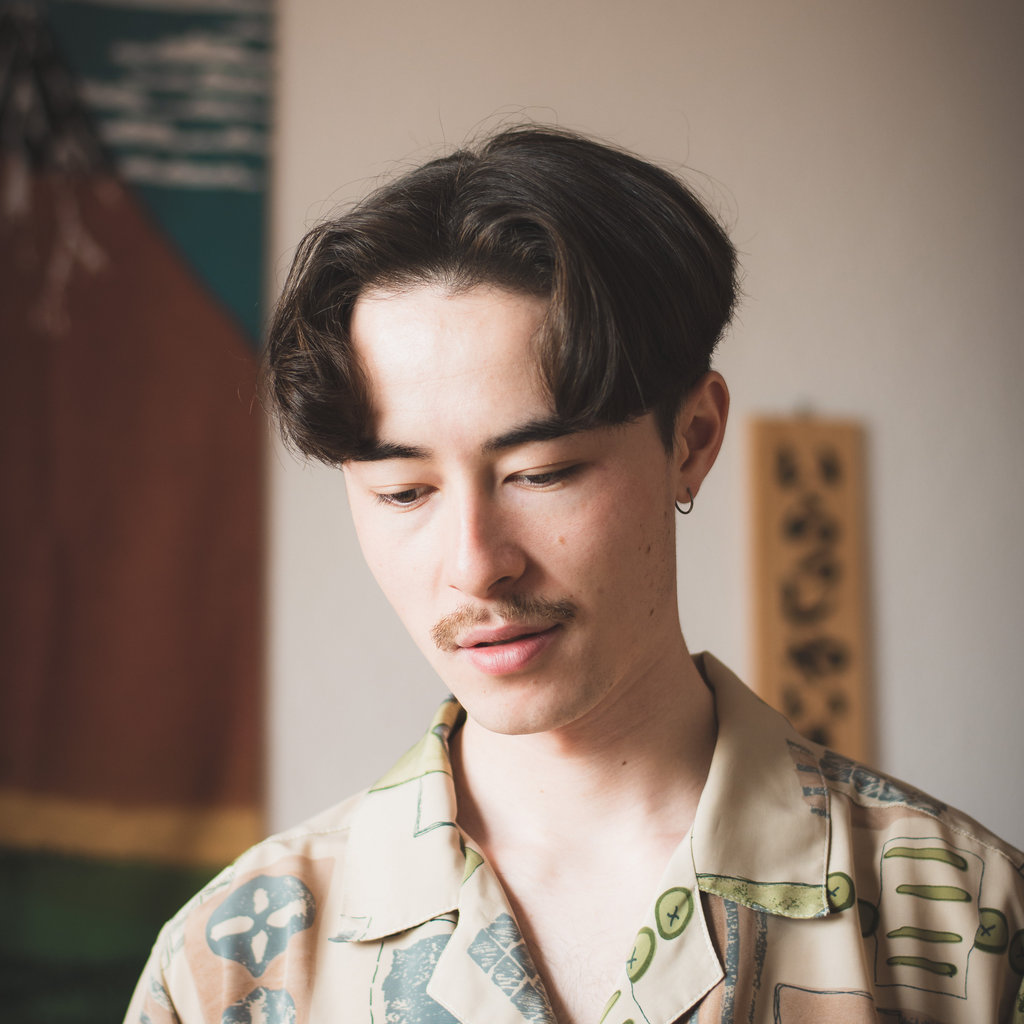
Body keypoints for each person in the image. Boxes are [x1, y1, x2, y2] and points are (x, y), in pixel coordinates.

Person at [125, 126, 1024, 1024]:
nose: (476, 565)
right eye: (404, 492)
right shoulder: (228, 970)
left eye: (541, 473)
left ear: (692, 439)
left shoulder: (971, 924)